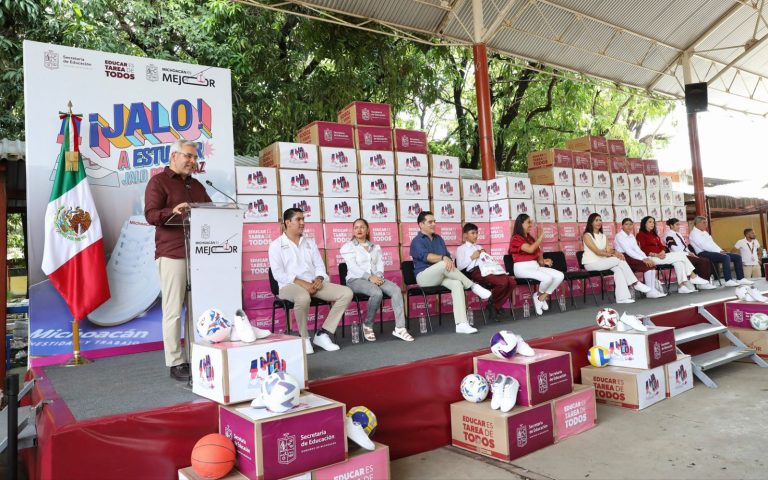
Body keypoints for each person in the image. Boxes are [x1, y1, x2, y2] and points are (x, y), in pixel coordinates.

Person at [145, 139, 212, 381]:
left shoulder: (197, 186)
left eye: (195, 158)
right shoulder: (158, 182)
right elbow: (151, 215)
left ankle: (197, 356)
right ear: (174, 156)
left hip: (198, 254)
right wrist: (172, 211)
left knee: (196, 309)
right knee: (173, 310)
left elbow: (210, 211)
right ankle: (175, 362)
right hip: (172, 252)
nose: (193, 161)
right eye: (188, 156)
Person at [268, 208, 353, 354]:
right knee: (302, 296)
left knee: (346, 292)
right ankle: (304, 337)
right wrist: (302, 284)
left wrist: (320, 278)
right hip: (289, 286)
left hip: (313, 284)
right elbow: (278, 274)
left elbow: (319, 266)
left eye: (303, 219)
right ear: (287, 222)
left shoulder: (309, 243)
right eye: (298, 219)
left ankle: (323, 334)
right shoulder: (276, 245)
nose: (302, 223)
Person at [409, 211, 492, 334]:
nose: (433, 224)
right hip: (424, 277)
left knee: (457, 284)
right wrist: (443, 259)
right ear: (421, 224)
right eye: (430, 222)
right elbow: (427, 257)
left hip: (441, 275)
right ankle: (473, 286)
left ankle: (461, 324)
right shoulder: (416, 241)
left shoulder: (439, 239)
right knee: (442, 263)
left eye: (434, 221)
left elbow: (447, 257)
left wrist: (447, 259)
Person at [340, 218, 413, 342]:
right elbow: (353, 267)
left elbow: (379, 264)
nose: (359, 230)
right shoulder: (348, 247)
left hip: (374, 278)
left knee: (395, 289)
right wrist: (369, 277)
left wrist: (378, 275)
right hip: (355, 280)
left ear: (367, 230)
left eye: (362, 227)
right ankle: (367, 325)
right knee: (376, 292)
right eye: (356, 227)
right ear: (353, 230)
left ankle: (400, 328)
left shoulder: (375, 247)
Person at [581, 213, 652, 303]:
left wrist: (616, 252)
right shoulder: (587, 235)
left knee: (618, 269)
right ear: (591, 222)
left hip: (603, 262)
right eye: (596, 220)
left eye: (600, 220)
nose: (599, 222)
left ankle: (622, 298)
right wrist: (614, 255)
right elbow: (597, 252)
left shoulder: (603, 236)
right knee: (619, 259)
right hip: (591, 263)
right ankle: (635, 283)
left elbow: (609, 250)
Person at [636, 216, 715, 293]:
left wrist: (662, 251)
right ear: (644, 224)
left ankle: (681, 286)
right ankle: (693, 276)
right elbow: (642, 249)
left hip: (661, 256)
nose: (652, 224)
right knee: (681, 255)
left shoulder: (654, 235)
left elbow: (662, 246)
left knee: (679, 262)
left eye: (653, 222)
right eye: (650, 222)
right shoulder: (640, 235)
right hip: (651, 258)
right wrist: (657, 255)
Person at [508, 214, 565, 315]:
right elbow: (530, 249)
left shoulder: (530, 238)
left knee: (560, 275)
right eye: (528, 222)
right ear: (520, 224)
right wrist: (540, 239)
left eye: (531, 222)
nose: (530, 225)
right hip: (522, 269)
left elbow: (538, 254)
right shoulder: (516, 238)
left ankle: (540, 297)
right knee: (547, 279)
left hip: (535, 266)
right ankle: (539, 298)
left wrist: (543, 261)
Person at [456, 223, 515, 320]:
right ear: (465, 235)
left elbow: (486, 260)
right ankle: (495, 305)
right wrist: (472, 257)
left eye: (477, 233)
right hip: (475, 272)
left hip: (488, 268)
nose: (476, 235)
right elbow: (459, 267)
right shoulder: (461, 249)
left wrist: (484, 254)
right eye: (473, 233)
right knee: (502, 283)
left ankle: (494, 305)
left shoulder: (479, 247)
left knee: (512, 282)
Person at [688, 216, 753, 287]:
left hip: (713, 251)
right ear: (698, 223)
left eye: (706, 222)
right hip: (703, 253)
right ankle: (728, 280)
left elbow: (712, 244)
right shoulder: (694, 233)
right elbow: (704, 246)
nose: (706, 224)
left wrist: (720, 250)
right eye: (704, 223)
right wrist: (718, 251)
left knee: (737, 257)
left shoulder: (705, 233)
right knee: (726, 257)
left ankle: (740, 278)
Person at [613, 218, 667, 297]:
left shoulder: (631, 236)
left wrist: (646, 258)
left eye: (630, 224)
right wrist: (643, 259)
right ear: (622, 226)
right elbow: (628, 251)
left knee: (651, 264)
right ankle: (649, 292)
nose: (629, 226)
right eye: (626, 224)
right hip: (624, 257)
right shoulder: (619, 236)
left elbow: (637, 249)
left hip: (633, 256)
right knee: (646, 265)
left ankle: (652, 290)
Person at [664, 218, 712, 283]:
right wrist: (687, 254)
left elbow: (685, 246)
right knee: (702, 261)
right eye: (677, 224)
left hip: (685, 254)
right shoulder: (668, 235)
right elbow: (674, 249)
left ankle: (704, 280)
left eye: (679, 224)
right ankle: (704, 282)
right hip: (679, 256)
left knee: (705, 260)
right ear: (671, 226)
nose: (679, 226)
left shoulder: (678, 234)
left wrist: (690, 252)